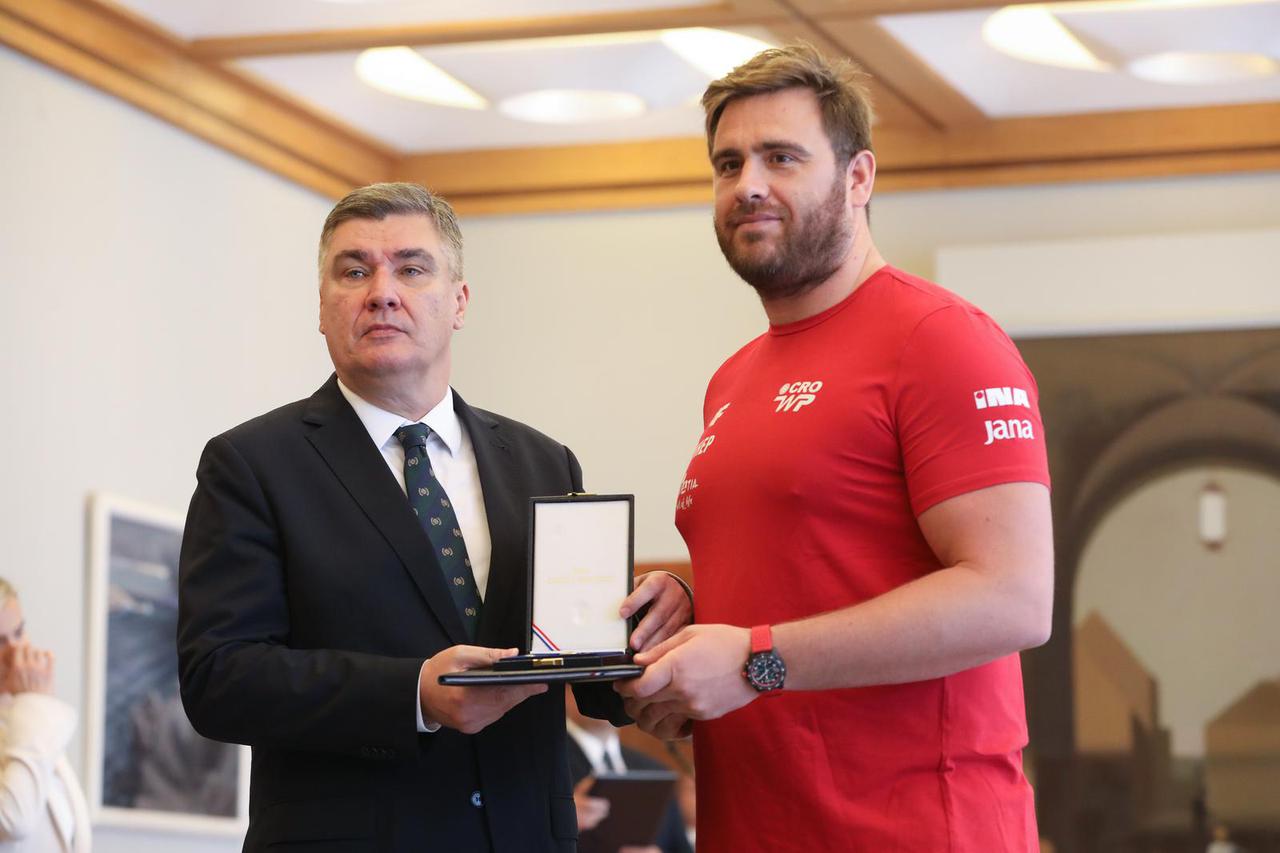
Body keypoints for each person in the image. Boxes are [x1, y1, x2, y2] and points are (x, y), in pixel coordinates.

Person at [616, 44, 1055, 851]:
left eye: (781, 156)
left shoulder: (942, 340)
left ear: (859, 179)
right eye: (727, 162)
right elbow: (806, 574)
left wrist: (753, 661)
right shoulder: (732, 378)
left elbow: (1013, 598)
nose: (747, 183)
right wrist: (690, 606)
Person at [177, 182, 690, 853]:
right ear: (324, 307)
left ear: (460, 302)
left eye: (412, 269)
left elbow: (582, 665)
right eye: (354, 270)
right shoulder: (251, 464)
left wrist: (652, 652)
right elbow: (220, 678)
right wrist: (412, 693)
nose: (382, 291)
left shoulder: (544, 462)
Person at [0, 579, 91, 853]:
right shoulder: (31, 714)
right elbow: (13, 820)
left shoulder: (19, 719)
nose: (16, 652)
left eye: (19, 632)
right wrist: (34, 703)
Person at [564, 687, 691, 853]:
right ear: (566, 693)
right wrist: (562, 820)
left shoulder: (654, 771)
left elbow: (678, 846)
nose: (604, 696)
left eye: (616, 685)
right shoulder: (544, 769)